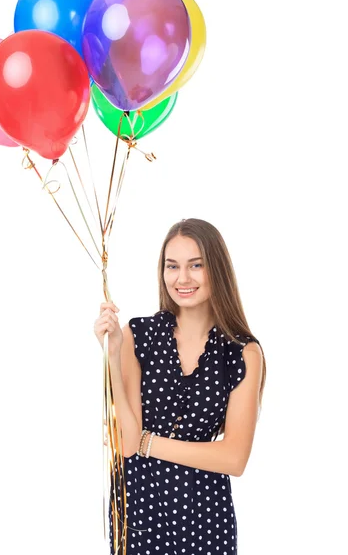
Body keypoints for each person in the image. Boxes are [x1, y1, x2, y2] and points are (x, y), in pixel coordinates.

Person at [94, 218, 266, 555]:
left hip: (205, 516)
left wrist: (148, 442)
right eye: (172, 266)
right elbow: (127, 443)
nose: (182, 278)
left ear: (216, 269)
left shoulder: (243, 353)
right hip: (139, 509)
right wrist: (112, 355)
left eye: (196, 265)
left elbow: (234, 459)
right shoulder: (139, 336)